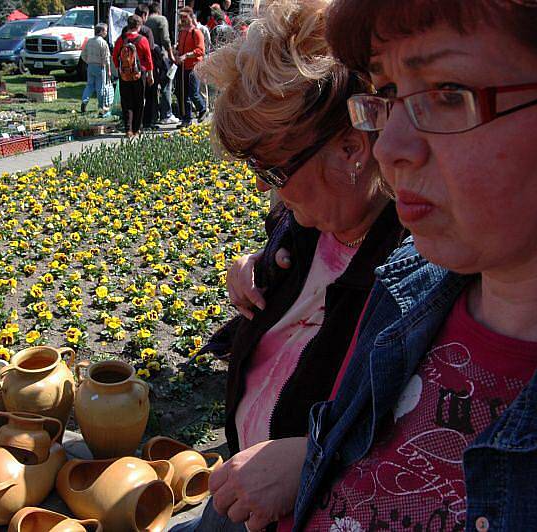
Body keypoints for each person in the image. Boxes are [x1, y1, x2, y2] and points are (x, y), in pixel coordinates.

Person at [209, 0, 537, 530]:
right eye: (389, 95)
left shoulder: (394, 269)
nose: (389, 146)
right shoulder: (410, 289)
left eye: (448, 93)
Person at [170, 1, 404, 530]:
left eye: (272, 168)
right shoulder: (304, 224)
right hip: (246, 494)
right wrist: (249, 268)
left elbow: (421, 437)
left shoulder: (411, 269)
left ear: (350, 150)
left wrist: (309, 459)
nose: (260, 185)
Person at [113, 15, 154, 137]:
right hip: (139, 74)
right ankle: (136, 128)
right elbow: (148, 59)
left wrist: (119, 69)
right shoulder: (142, 40)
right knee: (139, 101)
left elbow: (115, 56)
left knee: (126, 102)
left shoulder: (121, 39)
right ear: (139, 26)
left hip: (124, 74)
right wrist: (150, 74)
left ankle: (128, 129)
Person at [146, 1, 180, 125]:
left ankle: (153, 115)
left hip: (149, 58)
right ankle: (166, 114)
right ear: (159, 10)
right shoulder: (161, 19)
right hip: (161, 56)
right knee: (166, 84)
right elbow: (165, 39)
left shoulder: (145, 21)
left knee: (153, 87)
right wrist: (171, 55)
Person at [175, 8, 207, 127]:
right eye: (181, 17)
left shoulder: (196, 32)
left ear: (191, 18)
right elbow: (180, 47)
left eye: (185, 17)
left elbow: (200, 50)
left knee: (192, 93)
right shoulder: (182, 32)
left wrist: (186, 55)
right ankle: (186, 119)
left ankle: (202, 108)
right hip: (182, 66)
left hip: (193, 66)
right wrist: (176, 52)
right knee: (181, 94)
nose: (182, 20)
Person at [135, 3, 161, 128]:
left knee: (135, 96)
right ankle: (148, 122)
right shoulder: (146, 31)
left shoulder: (126, 30)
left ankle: (134, 122)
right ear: (145, 15)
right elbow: (150, 50)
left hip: (131, 69)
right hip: (145, 68)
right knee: (150, 96)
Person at [80, 23, 111, 116]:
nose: (106, 32)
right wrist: (108, 70)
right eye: (105, 30)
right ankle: (101, 106)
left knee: (89, 85)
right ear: (101, 31)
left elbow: (83, 54)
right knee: (100, 87)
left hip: (90, 65)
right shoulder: (103, 42)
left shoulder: (89, 41)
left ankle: (84, 101)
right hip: (100, 66)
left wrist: (88, 61)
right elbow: (106, 58)